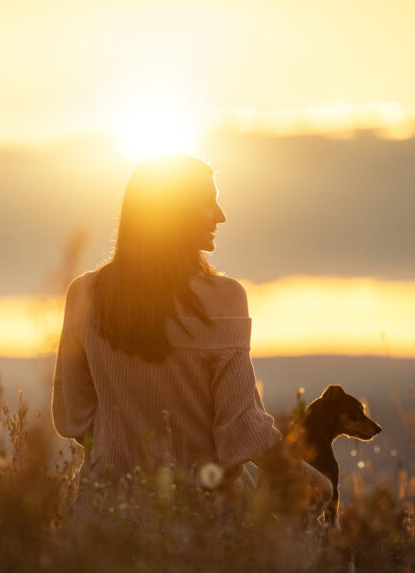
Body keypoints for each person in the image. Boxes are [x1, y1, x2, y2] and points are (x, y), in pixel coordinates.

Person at [51, 153, 290, 491]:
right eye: (208, 202)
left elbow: (72, 416)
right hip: (201, 520)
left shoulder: (84, 293)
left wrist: (130, 451)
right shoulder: (225, 297)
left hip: (104, 517)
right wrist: (310, 483)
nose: (221, 216)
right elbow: (243, 432)